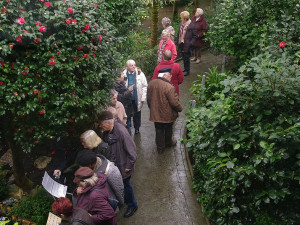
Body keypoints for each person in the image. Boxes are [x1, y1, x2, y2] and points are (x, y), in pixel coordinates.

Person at [98, 111, 138, 218]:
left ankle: (132, 205)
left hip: (124, 165)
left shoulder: (121, 131)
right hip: (116, 165)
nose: (101, 127)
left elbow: (132, 151)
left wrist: (128, 166)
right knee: (123, 185)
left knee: (126, 186)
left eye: (101, 125)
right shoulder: (108, 132)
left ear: (107, 123)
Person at [147, 67, 183, 154]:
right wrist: (180, 108)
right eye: (170, 76)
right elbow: (174, 102)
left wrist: (152, 108)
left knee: (159, 129)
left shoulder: (151, 83)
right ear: (165, 75)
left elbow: (148, 99)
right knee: (168, 128)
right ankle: (168, 143)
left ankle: (160, 148)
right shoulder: (169, 87)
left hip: (155, 113)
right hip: (167, 113)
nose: (170, 77)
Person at [122, 60, 148, 134]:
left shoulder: (140, 74)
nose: (134, 67)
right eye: (131, 65)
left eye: (134, 65)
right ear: (127, 67)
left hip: (137, 98)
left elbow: (145, 86)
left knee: (137, 114)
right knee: (127, 114)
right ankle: (128, 128)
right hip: (127, 99)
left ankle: (137, 128)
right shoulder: (123, 74)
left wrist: (143, 97)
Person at [176, 11, 197, 76]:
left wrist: (191, 43)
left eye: (181, 18)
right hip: (181, 43)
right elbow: (178, 34)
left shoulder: (191, 25)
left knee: (187, 58)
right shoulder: (181, 24)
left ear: (185, 18)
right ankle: (185, 69)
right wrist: (177, 42)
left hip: (187, 44)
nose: (181, 19)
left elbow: (195, 36)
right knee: (183, 57)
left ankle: (187, 71)